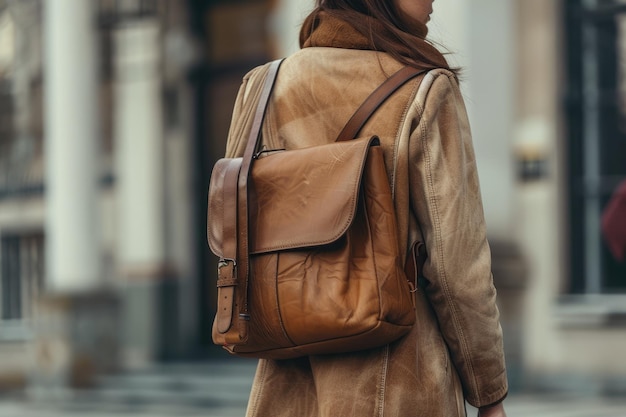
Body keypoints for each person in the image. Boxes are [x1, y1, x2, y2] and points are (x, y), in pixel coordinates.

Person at [224, 0, 508, 416]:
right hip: (399, 378)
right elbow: (456, 269)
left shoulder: (262, 86)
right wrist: (489, 392)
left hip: (287, 382)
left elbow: (236, 224)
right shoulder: (425, 88)